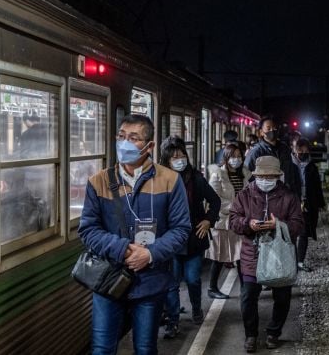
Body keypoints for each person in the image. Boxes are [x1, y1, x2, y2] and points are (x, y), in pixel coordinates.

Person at [78, 115, 191, 355]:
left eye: (133, 138)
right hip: (108, 280)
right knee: (101, 349)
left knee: (145, 348)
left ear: (149, 146)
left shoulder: (170, 180)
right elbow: (88, 229)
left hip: (150, 282)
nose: (124, 143)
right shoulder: (98, 181)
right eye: (121, 136)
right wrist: (123, 249)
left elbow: (181, 229)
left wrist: (149, 254)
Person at [229, 156, 304, 352]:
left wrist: (278, 225)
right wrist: (249, 224)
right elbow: (233, 220)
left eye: (271, 176)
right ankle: (251, 334)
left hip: (280, 254)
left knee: (282, 296)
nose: (266, 179)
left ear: (278, 176)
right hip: (251, 253)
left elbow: (298, 224)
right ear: (255, 175)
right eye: (262, 175)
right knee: (247, 297)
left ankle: (273, 332)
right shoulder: (244, 195)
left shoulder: (289, 196)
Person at [160, 136, 221, 339]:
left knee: (193, 279)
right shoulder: (160, 180)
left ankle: (196, 307)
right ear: (166, 160)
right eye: (174, 157)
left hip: (194, 237)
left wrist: (208, 221)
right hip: (170, 241)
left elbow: (215, 201)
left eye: (182, 155)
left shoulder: (196, 178)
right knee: (172, 283)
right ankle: (173, 320)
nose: (179, 159)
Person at [206, 144, 252, 298]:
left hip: (241, 221)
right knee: (220, 256)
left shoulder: (245, 173)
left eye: (239, 156)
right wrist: (237, 206)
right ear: (226, 157)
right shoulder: (217, 174)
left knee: (241, 255)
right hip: (223, 221)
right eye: (233, 156)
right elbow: (214, 199)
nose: (236, 160)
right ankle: (212, 288)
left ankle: (245, 288)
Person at [245, 117, 301, 197]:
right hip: (265, 197)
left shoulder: (284, 149)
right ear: (261, 132)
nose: (272, 130)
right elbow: (247, 175)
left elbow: (291, 173)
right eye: (268, 128)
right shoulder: (256, 152)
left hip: (285, 195)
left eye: (274, 128)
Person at [292, 138, 326, 271]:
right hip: (292, 203)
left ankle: (300, 261)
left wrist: (320, 203)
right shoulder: (288, 164)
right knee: (291, 233)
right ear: (294, 149)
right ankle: (291, 261)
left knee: (304, 232)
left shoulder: (311, 166)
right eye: (299, 150)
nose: (302, 152)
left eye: (305, 150)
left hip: (307, 203)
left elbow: (317, 186)